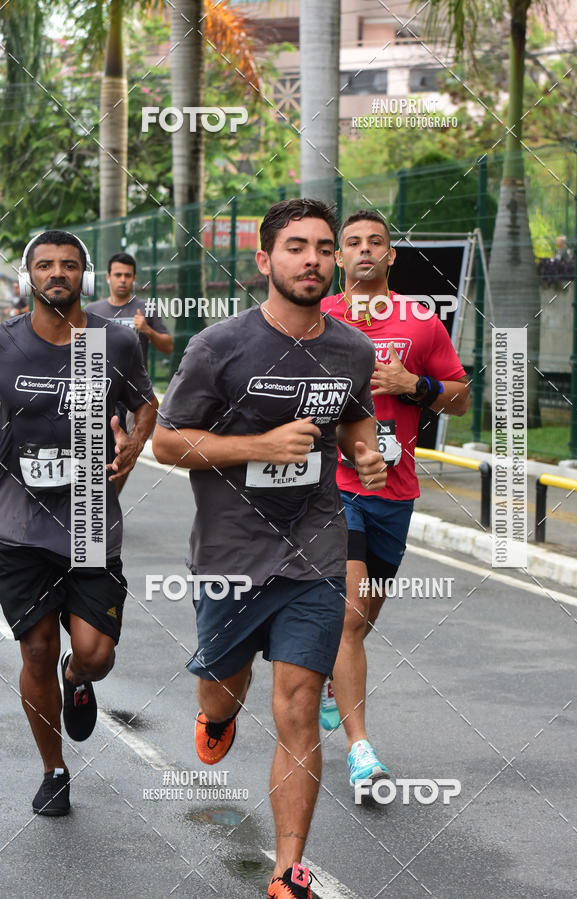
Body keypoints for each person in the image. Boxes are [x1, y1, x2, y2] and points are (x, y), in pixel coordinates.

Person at [153, 198, 387, 899]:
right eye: (296, 247)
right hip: (229, 554)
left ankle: (288, 871)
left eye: (323, 247)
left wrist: (366, 454)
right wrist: (259, 445)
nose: (313, 259)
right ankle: (216, 713)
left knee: (299, 702)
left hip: (315, 550)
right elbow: (167, 442)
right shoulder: (218, 346)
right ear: (264, 260)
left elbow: (356, 420)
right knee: (224, 688)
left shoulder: (353, 350)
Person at [0, 230, 158, 816]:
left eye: (69, 265)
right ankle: (54, 770)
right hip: (19, 527)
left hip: (90, 520)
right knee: (35, 650)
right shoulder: (6, 344)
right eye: (45, 265)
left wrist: (134, 445)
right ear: (29, 276)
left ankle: (79, 676)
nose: (57, 273)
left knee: (97, 654)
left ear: (84, 276)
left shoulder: (111, 342)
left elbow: (145, 402)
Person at [320, 209, 470, 787]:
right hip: (333, 487)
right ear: (338, 256)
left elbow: (459, 397)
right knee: (351, 615)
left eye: (375, 242)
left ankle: (333, 675)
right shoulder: (319, 315)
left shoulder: (420, 320)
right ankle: (361, 748)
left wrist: (415, 386)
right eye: (352, 242)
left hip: (394, 490)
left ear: (391, 255)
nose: (364, 250)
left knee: (363, 619)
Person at [86, 252, 172, 493]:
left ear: (134, 278)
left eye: (127, 275)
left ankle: (111, 498)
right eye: (118, 275)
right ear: (108, 277)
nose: (122, 280)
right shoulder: (93, 310)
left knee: (125, 451)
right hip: (99, 392)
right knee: (95, 450)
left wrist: (147, 330)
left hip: (134, 394)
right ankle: (97, 498)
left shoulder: (145, 308)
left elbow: (168, 346)